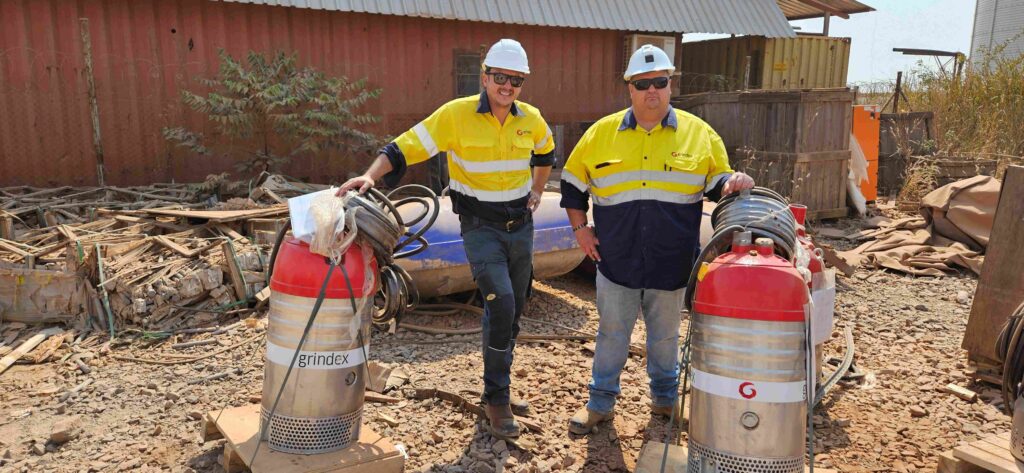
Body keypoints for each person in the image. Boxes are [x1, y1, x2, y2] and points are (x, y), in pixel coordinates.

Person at [338, 39, 555, 439]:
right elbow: (402, 147)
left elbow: (545, 155)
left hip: (520, 227)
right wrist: (371, 176)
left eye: (516, 80)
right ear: (486, 76)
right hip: (480, 227)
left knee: (515, 304)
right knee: (501, 301)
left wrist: (538, 191)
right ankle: (496, 399)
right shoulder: (455, 116)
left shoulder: (532, 119)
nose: (507, 86)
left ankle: (499, 382)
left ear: (523, 83)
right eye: (501, 77)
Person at [558, 44, 755, 434]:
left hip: (672, 260)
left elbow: (720, 184)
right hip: (616, 260)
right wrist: (581, 230)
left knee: (664, 338)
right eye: (643, 83)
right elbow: (571, 186)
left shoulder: (700, 135)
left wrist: (736, 182)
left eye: (660, 83)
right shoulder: (600, 135)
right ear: (629, 88)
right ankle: (600, 404)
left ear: (670, 86)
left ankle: (665, 402)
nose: (652, 91)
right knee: (612, 334)